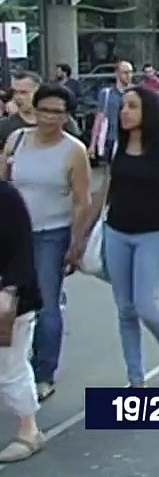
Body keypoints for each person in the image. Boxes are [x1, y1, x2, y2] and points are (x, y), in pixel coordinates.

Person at [86, 87, 159, 387]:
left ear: (149, 111)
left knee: (146, 305)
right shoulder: (117, 146)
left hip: (153, 234)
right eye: (123, 106)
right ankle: (135, 379)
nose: (124, 111)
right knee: (125, 309)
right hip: (116, 231)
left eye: (132, 106)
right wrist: (79, 238)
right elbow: (104, 192)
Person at [0, 84, 92, 402]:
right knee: (13, 300)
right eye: (44, 110)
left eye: (57, 112)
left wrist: (75, 243)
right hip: (13, 234)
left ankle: (43, 373)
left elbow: (82, 200)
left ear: (67, 116)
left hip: (50, 233)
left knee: (46, 301)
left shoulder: (73, 150)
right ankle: (15, 365)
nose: (49, 118)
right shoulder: (17, 140)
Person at [0, 180, 45, 462]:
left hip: (10, 298)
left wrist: (8, 289)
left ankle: (29, 430)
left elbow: (22, 253)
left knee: (10, 365)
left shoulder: (5, 197)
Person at [0, 72, 81, 146]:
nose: (17, 97)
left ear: (38, 92)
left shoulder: (61, 121)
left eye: (23, 92)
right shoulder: (4, 126)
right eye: (15, 92)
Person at [90, 61, 134, 165]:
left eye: (131, 72)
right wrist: (93, 143)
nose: (129, 76)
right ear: (117, 73)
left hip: (131, 139)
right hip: (112, 138)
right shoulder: (106, 94)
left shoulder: (136, 92)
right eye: (125, 73)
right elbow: (99, 118)